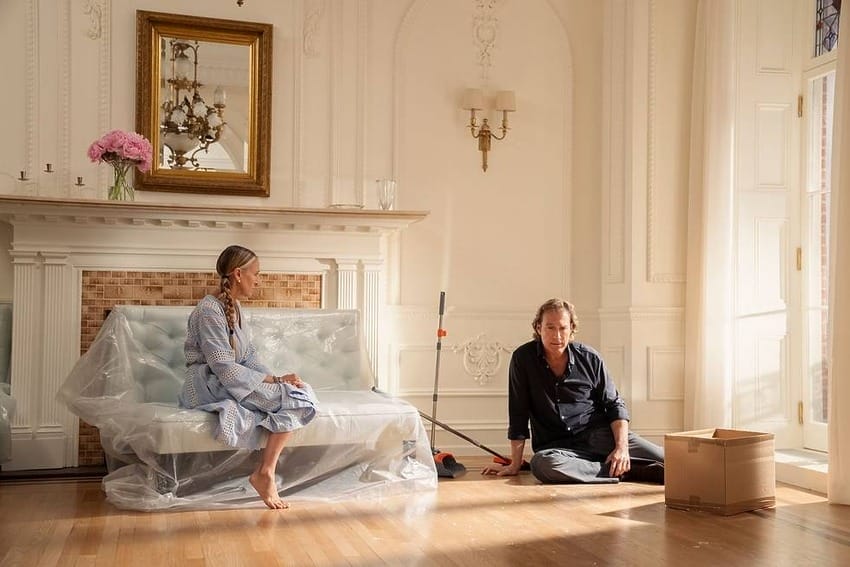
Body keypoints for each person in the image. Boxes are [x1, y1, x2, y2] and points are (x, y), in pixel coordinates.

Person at [179, 244, 318, 509]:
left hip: (231, 380)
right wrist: (275, 384)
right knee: (297, 400)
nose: (258, 280)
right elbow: (223, 366)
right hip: (209, 383)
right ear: (238, 274)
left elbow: (249, 356)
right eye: (256, 273)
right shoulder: (209, 311)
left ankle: (265, 471)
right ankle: (265, 473)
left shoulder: (235, 307)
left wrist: (279, 379)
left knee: (300, 393)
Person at [482, 298, 664, 484]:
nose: (557, 336)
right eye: (550, 327)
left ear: (571, 329)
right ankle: (630, 472)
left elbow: (615, 405)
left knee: (669, 458)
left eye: (563, 328)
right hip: (557, 448)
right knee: (542, 464)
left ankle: (609, 467)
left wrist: (621, 448)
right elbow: (518, 413)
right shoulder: (523, 359)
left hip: (601, 437)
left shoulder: (590, 358)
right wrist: (515, 464)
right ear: (538, 328)